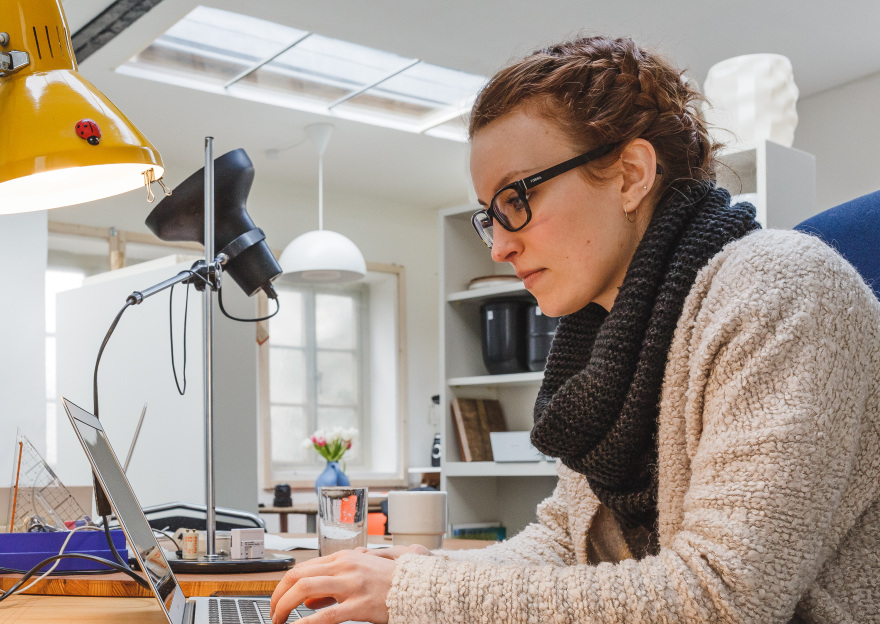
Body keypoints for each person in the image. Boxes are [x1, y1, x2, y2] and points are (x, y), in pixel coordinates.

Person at [270, 36, 880, 624]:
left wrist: (420, 593)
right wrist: (416, 574)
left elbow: (722, 599)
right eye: (490, 217)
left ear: (631, 174)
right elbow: (565, 542)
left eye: (516, 198)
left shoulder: (781, 290)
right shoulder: (610, 339)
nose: (500, 247)